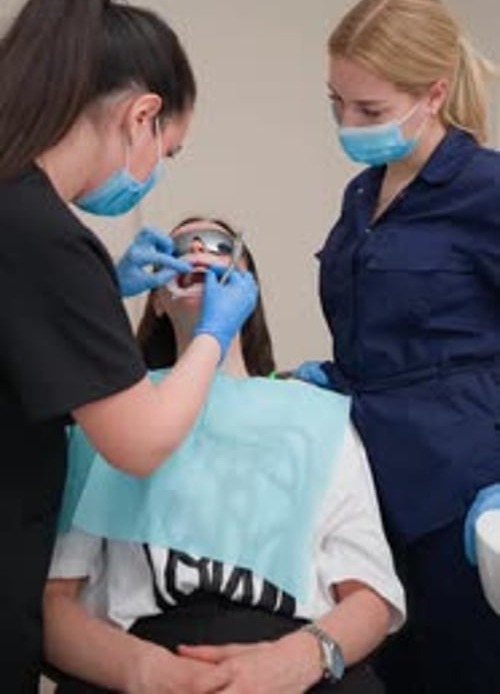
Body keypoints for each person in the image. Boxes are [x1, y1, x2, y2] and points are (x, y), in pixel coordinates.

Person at [0, 0, 257, 691]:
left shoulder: (20, 215)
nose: (156, 172)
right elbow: (140, 442)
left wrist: (100, 289)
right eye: (167, 152)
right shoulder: (44, 233)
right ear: (142, 116)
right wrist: (212, 334)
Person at [43, 217, 406, 694]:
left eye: (219, 245)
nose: (198, 247)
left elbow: (370, 597)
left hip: (294, 654)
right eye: (180, 246)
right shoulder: (112, 418)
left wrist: (297, 659)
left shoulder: (318, 417)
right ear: (157, 298)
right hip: (143, 654)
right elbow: (54, 604)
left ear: (247, 294)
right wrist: (146, 671)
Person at [294, 0, 500, 693]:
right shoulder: (362, 194)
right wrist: (328, 380)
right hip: (368, 493)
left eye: (369, 110)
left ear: (434, 94)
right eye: (337, 104)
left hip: (460, 494)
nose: (348, 124)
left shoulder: (487, 190)